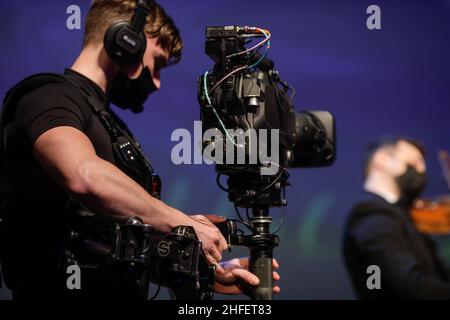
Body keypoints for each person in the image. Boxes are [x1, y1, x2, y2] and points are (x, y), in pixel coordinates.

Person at [0, 0, 280, 299]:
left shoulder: (112, 126)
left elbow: (112, 237)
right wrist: (180, 221)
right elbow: (83, 175)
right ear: (125, 41)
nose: (157, 83)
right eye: (157, 62)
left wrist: (200, 265)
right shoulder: (48, 95)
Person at [343, 137, 450, 299]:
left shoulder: (402, 214)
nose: (422, 170)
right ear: (383, 160)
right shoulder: (371, 213)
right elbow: (410, 286)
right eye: (415, 162)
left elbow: (439, 274)